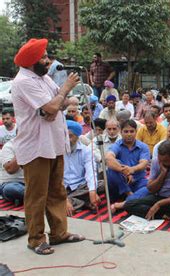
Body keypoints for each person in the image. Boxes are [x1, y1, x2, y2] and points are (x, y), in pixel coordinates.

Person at [12, 38, 85, 254]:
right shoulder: (24, 81)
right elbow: (55, 103)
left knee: (57, 191)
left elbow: (62, 104)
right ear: (32, 61)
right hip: (36, 147)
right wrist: (62, 94)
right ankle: (36, 239)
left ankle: (59, 233)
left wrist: (53, 106)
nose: (47, 60)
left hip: (53, 144)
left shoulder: (42, 78)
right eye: (43, 57)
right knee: (37, 196)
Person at [123, 141, 170, 222]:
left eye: (165, 161)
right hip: (160, 196)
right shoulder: (156, 161)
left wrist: (159, 204)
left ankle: (163, 213)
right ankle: (166, 215)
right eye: (160, 160)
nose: (162, 163)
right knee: (129, 204)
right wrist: (162, 174)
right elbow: (151, 189)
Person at [105, 120, 150, 202]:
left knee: (150, 188)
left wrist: (132, 169)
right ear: (121, 132)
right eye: (126, 131)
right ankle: (129, 194)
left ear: (136, 132)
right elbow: (108, 158)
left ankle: (126, 202)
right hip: (120, 182)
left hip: (137, 181)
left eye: (131, 131)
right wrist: (124, 171)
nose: (129, 134)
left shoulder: (143, 147)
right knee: (112, 167)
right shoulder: (117, 145)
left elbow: (143, 163)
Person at [64, 121, 100, 215]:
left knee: (102, 184)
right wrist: (64, 198)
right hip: (60, 188)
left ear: (77, 137)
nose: (67, 139)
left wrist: (92, 191)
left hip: (81, 186)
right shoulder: (57, 151)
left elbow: (91, 172)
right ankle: (82, 202)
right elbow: (53, 178)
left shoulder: (86, 150)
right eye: (65, 136)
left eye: (71, 136)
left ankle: (74, 202)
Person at [0, 138, 25, 206]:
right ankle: (37, 196)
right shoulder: (9, 146)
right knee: (11, 189)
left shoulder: (38, 144)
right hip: (12, 183)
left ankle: (34, 195)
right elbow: (10, 169)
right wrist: (23, 150)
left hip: (33, 184)